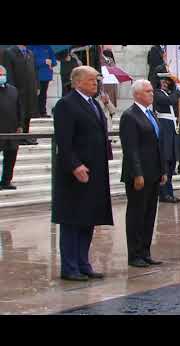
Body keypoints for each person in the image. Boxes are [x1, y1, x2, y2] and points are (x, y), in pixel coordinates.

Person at [52, 66, 113, 281]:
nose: (95, 84)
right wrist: (75, 165)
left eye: (96, 80)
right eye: (90, 80)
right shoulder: (66, 105)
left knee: (88, 218)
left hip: (94, 170)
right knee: (72, 219)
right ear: (77, 82)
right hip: (74, 173)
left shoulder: (94, 104)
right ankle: (69, 267)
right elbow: (64, 141)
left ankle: (83, 263)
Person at [120, 79, 167, 268]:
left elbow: (157, 145)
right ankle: (134, 254)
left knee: (149, 214)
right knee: (137, 214)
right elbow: (130, 149)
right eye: (148, 91)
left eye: (152, 91)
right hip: (138, 174)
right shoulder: (130, 116)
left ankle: (145, 251)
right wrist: (137, 173)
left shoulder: (150, 114)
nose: (152, 94)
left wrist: (163, 170)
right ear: (137, 94)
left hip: (154, 172)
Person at [153, 68, 180, 204]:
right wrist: (176, 92)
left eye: (167, 81)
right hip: (164, 125)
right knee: (165, 160)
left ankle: (169, 192)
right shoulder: (157, 93)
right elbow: (169, 101)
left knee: (171, 161)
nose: (165, 83)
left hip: (172, 125)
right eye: (163, 81)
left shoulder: (170, 93)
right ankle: (163, 193)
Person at [3, 45, 38, 145]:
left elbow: (34, 71)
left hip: (30, 89)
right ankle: (19, 137)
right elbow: (8, 72)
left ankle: (27, 136)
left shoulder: (30, 53)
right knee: (19, 113)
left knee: (29, 112)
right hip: (18, 88)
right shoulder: (9, 52)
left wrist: (37, 86)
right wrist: (11, 89)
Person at [0, 65, 23, 190]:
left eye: (3, 74)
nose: (2, 77)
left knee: (11, 156)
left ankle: (6, 181)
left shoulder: (13, 90)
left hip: (12, 129)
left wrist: (20, 125)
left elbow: (19, 108)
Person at [27, 45, 57, 118]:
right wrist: (44, 61)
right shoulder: (31, 47)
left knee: (43, 94)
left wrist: (52, 62)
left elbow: (54, 60)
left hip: (46, 75)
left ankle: (43, 111)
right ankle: (35, 111)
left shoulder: (48, 47)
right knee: (36, 94)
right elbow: (30, 61)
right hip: (36, 75)